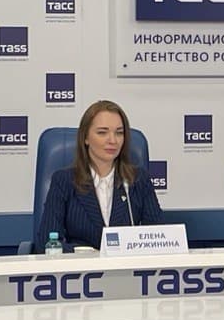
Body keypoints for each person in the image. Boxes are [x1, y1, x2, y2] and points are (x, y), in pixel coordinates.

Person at [36, 99, 163, 251]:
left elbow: (159, 238)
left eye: (119, 133)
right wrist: (89, 255)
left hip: (126, 265)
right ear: (86, 138)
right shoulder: (64, 181)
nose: (113, 140)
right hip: (81, 265)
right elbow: (47, 243)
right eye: (102, 132)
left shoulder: (138, 180)